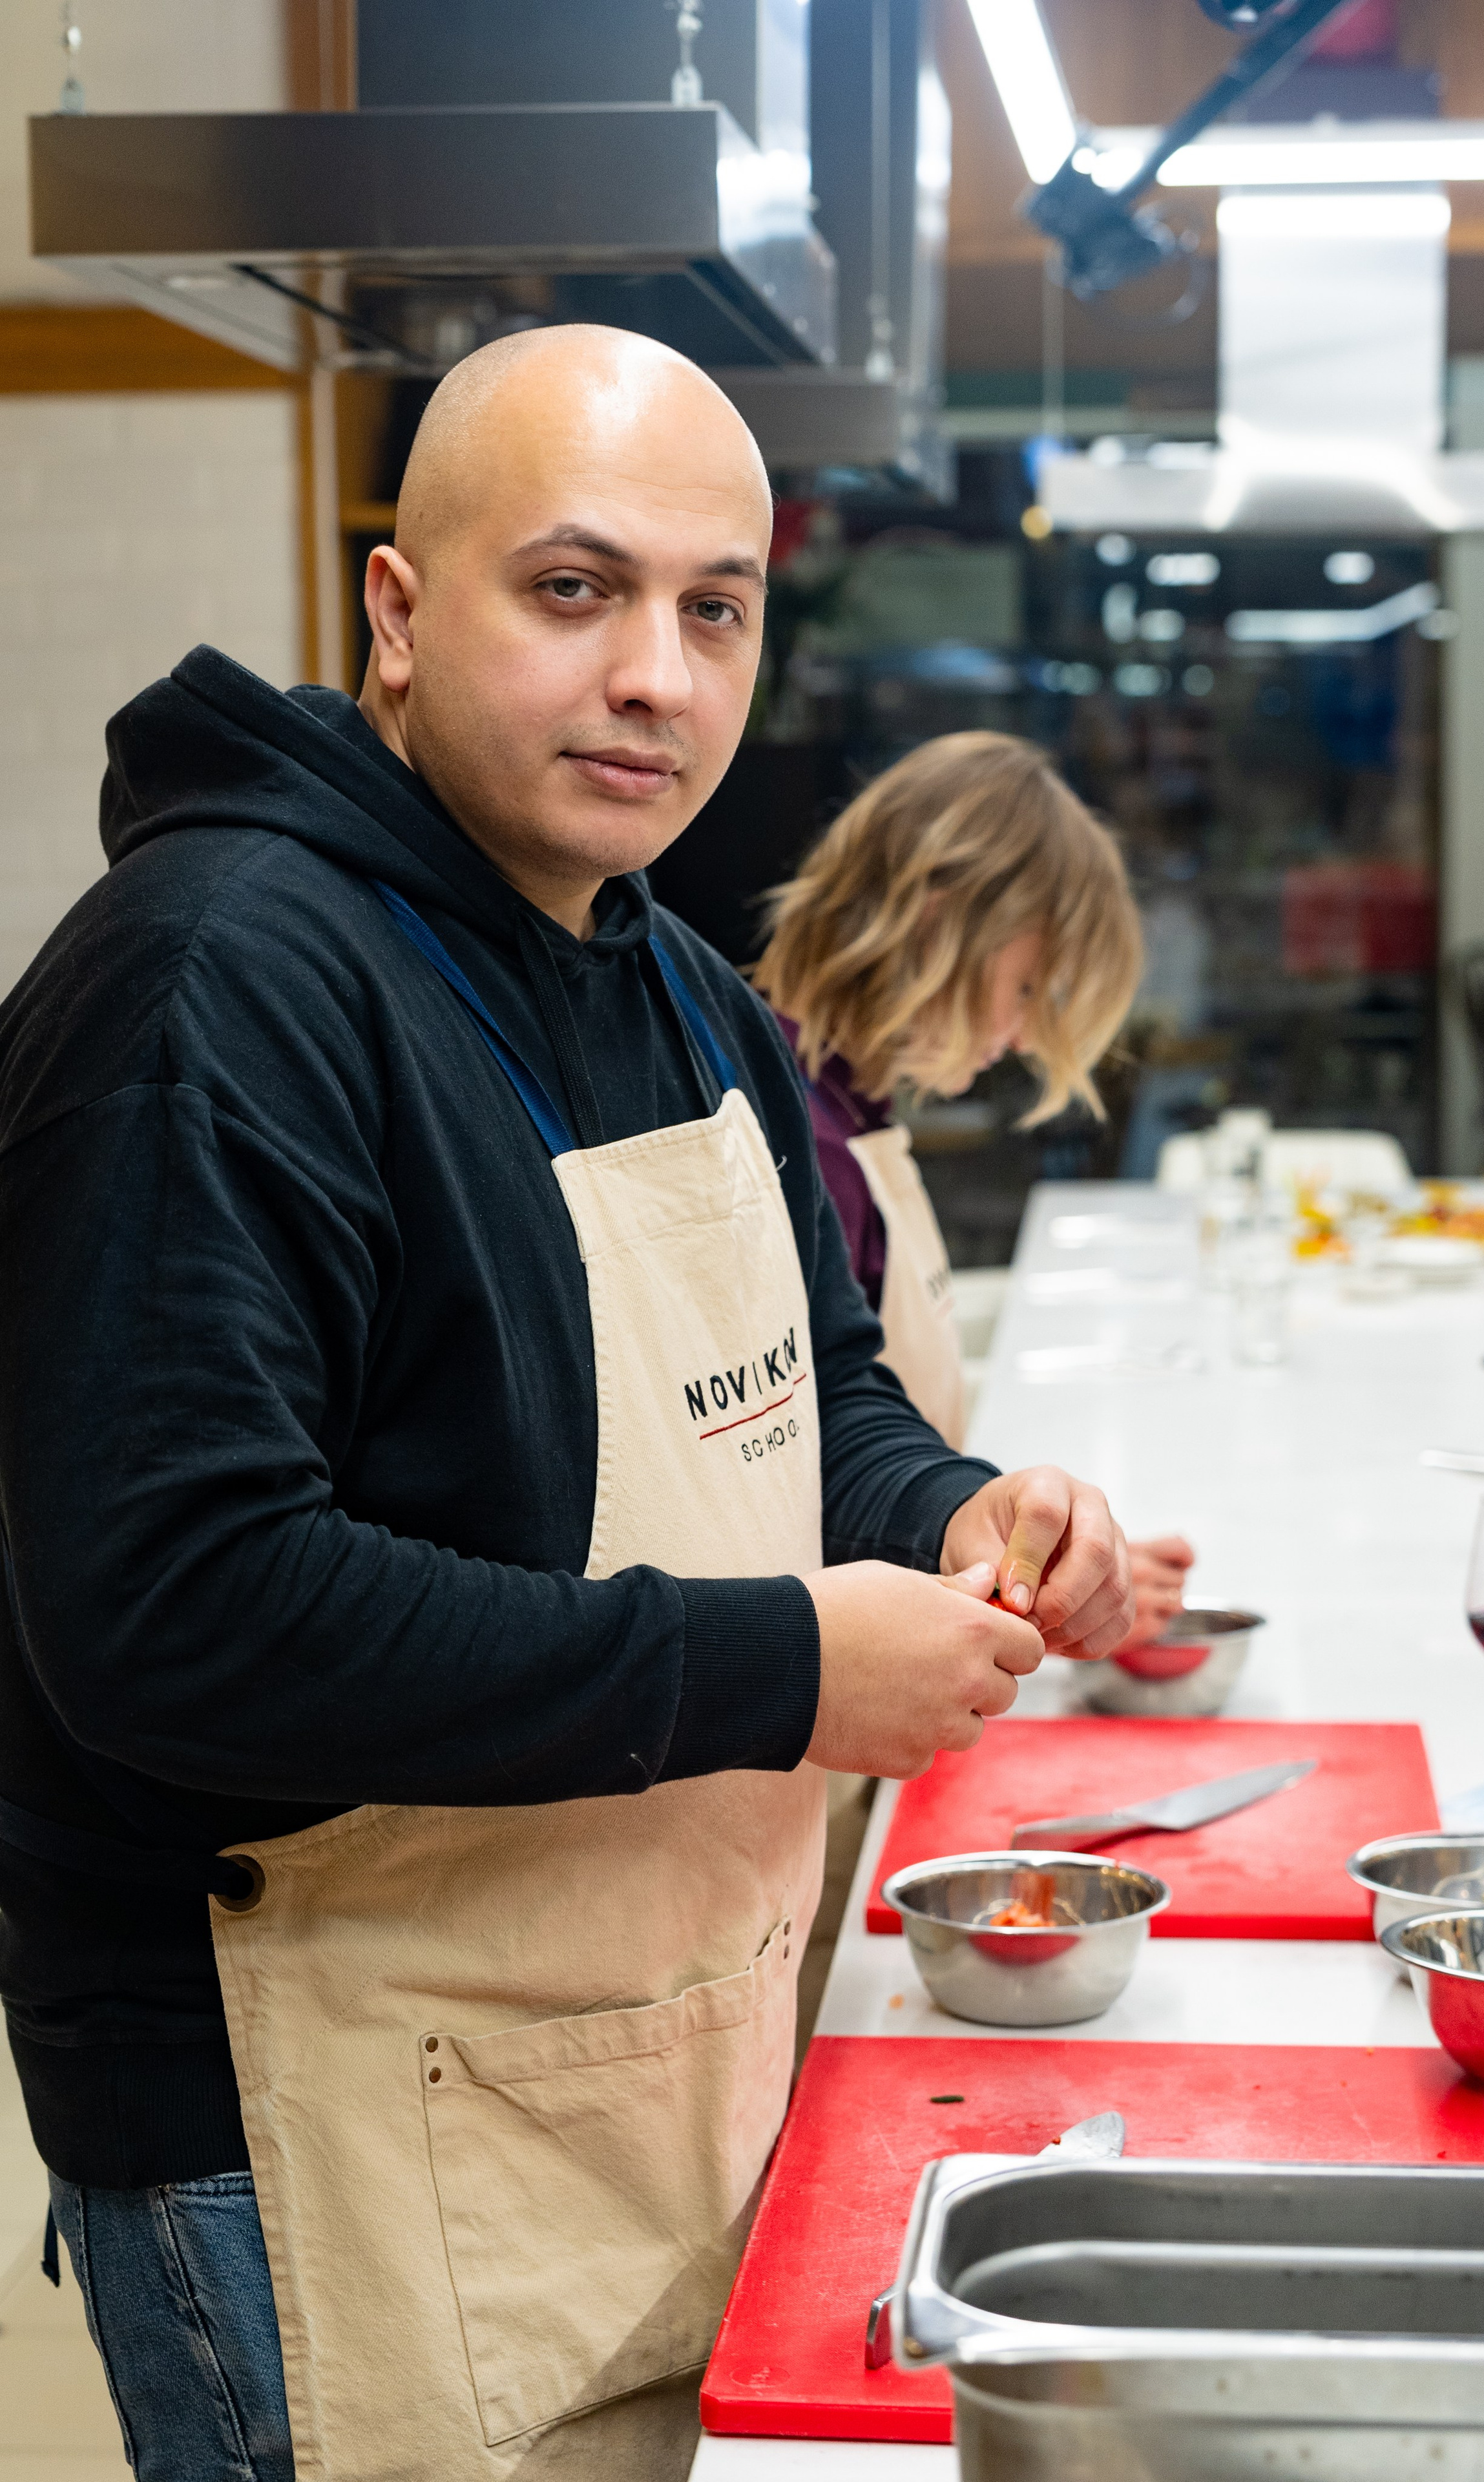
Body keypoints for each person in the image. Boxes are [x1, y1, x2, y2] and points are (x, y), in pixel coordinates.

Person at [0, 328, 1140, 2482]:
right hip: (303, 2118)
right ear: (400, 614)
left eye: (715, 608)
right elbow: (177, 1608)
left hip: (633, 2066)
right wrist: (791, 1662)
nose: (657, 674)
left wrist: (962, 1519)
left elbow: (824, 1412)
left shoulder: (676, 981)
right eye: (574, 588)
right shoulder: (216, 980)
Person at [755, 730, 1196, 1642]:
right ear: (937, 914)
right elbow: (802, 1496)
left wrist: (1052, 1564)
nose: (1031, 1035)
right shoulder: (804, 1139)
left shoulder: (855, 1111)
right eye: (1029, 986)